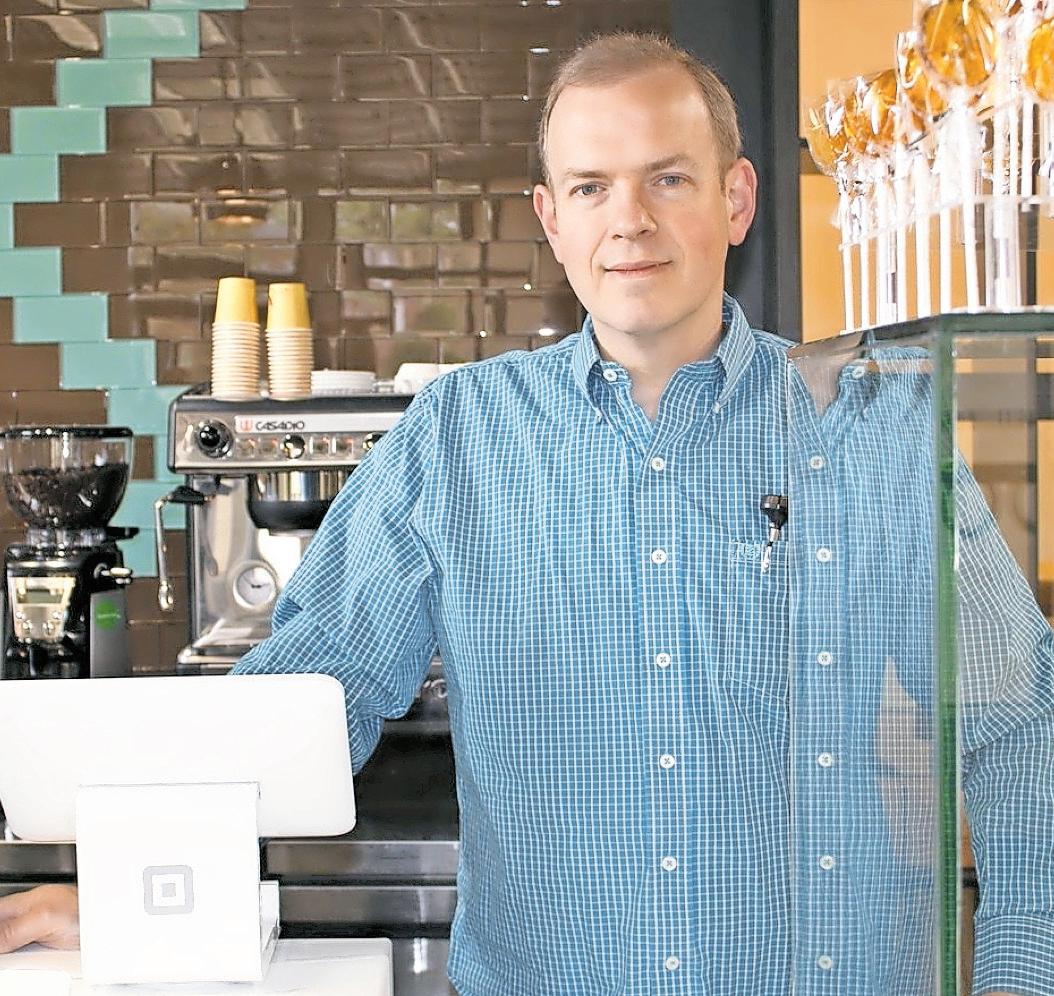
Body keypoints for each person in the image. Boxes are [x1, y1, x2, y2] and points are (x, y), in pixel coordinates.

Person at [1, 33, 1050, 996]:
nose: (628, 220)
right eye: (591, 187)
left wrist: (1021, 967)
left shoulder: (873, 422)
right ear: (552, 219)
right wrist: (130, 883)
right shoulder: (456, 437)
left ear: (737, 199)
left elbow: (1019, 725)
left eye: (668, 178)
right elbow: (304, 698)